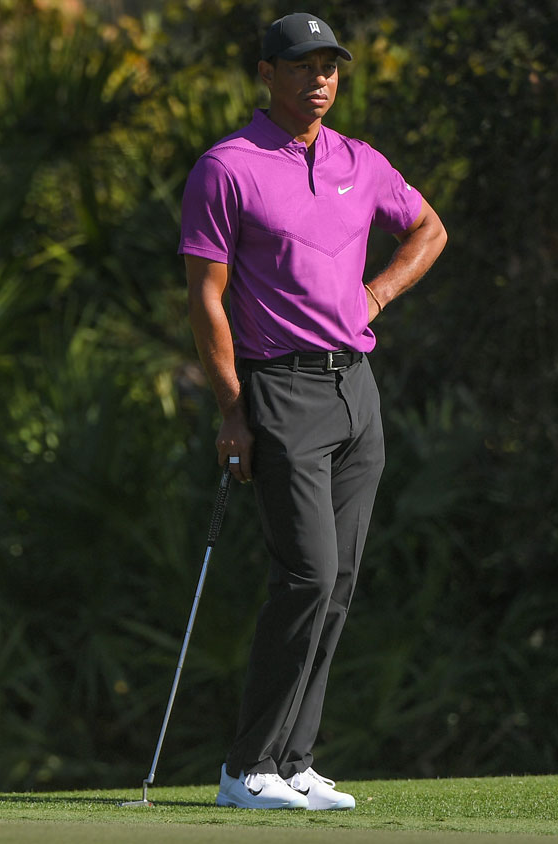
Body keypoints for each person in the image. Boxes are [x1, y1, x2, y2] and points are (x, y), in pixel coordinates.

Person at [179, 12, 447, 811]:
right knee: (307, 573)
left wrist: (377, 292)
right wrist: (232, 408)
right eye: (300, 65)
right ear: (267, 73)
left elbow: (429, 229)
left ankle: (293, 761)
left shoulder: (361, 163)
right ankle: (245, 768)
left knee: (340, 581)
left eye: (329, 64)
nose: (318, 78)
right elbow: (205, 297)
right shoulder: (227, 168)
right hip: (279, 389)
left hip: (354, 387)